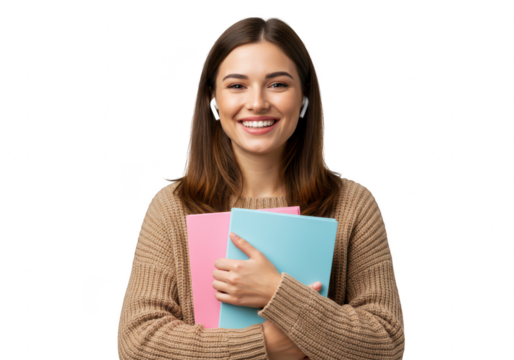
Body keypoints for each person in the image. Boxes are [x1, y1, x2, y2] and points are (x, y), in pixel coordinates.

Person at [117, 16, 406, 360]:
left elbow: (387, 342)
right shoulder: (172, 207)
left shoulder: (354, 205)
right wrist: (265, 345)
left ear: (304, 99)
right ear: (213, 100)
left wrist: (276, 291)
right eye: (237, 85)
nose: (257, 103)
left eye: (278, 85)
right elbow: (139, 341)